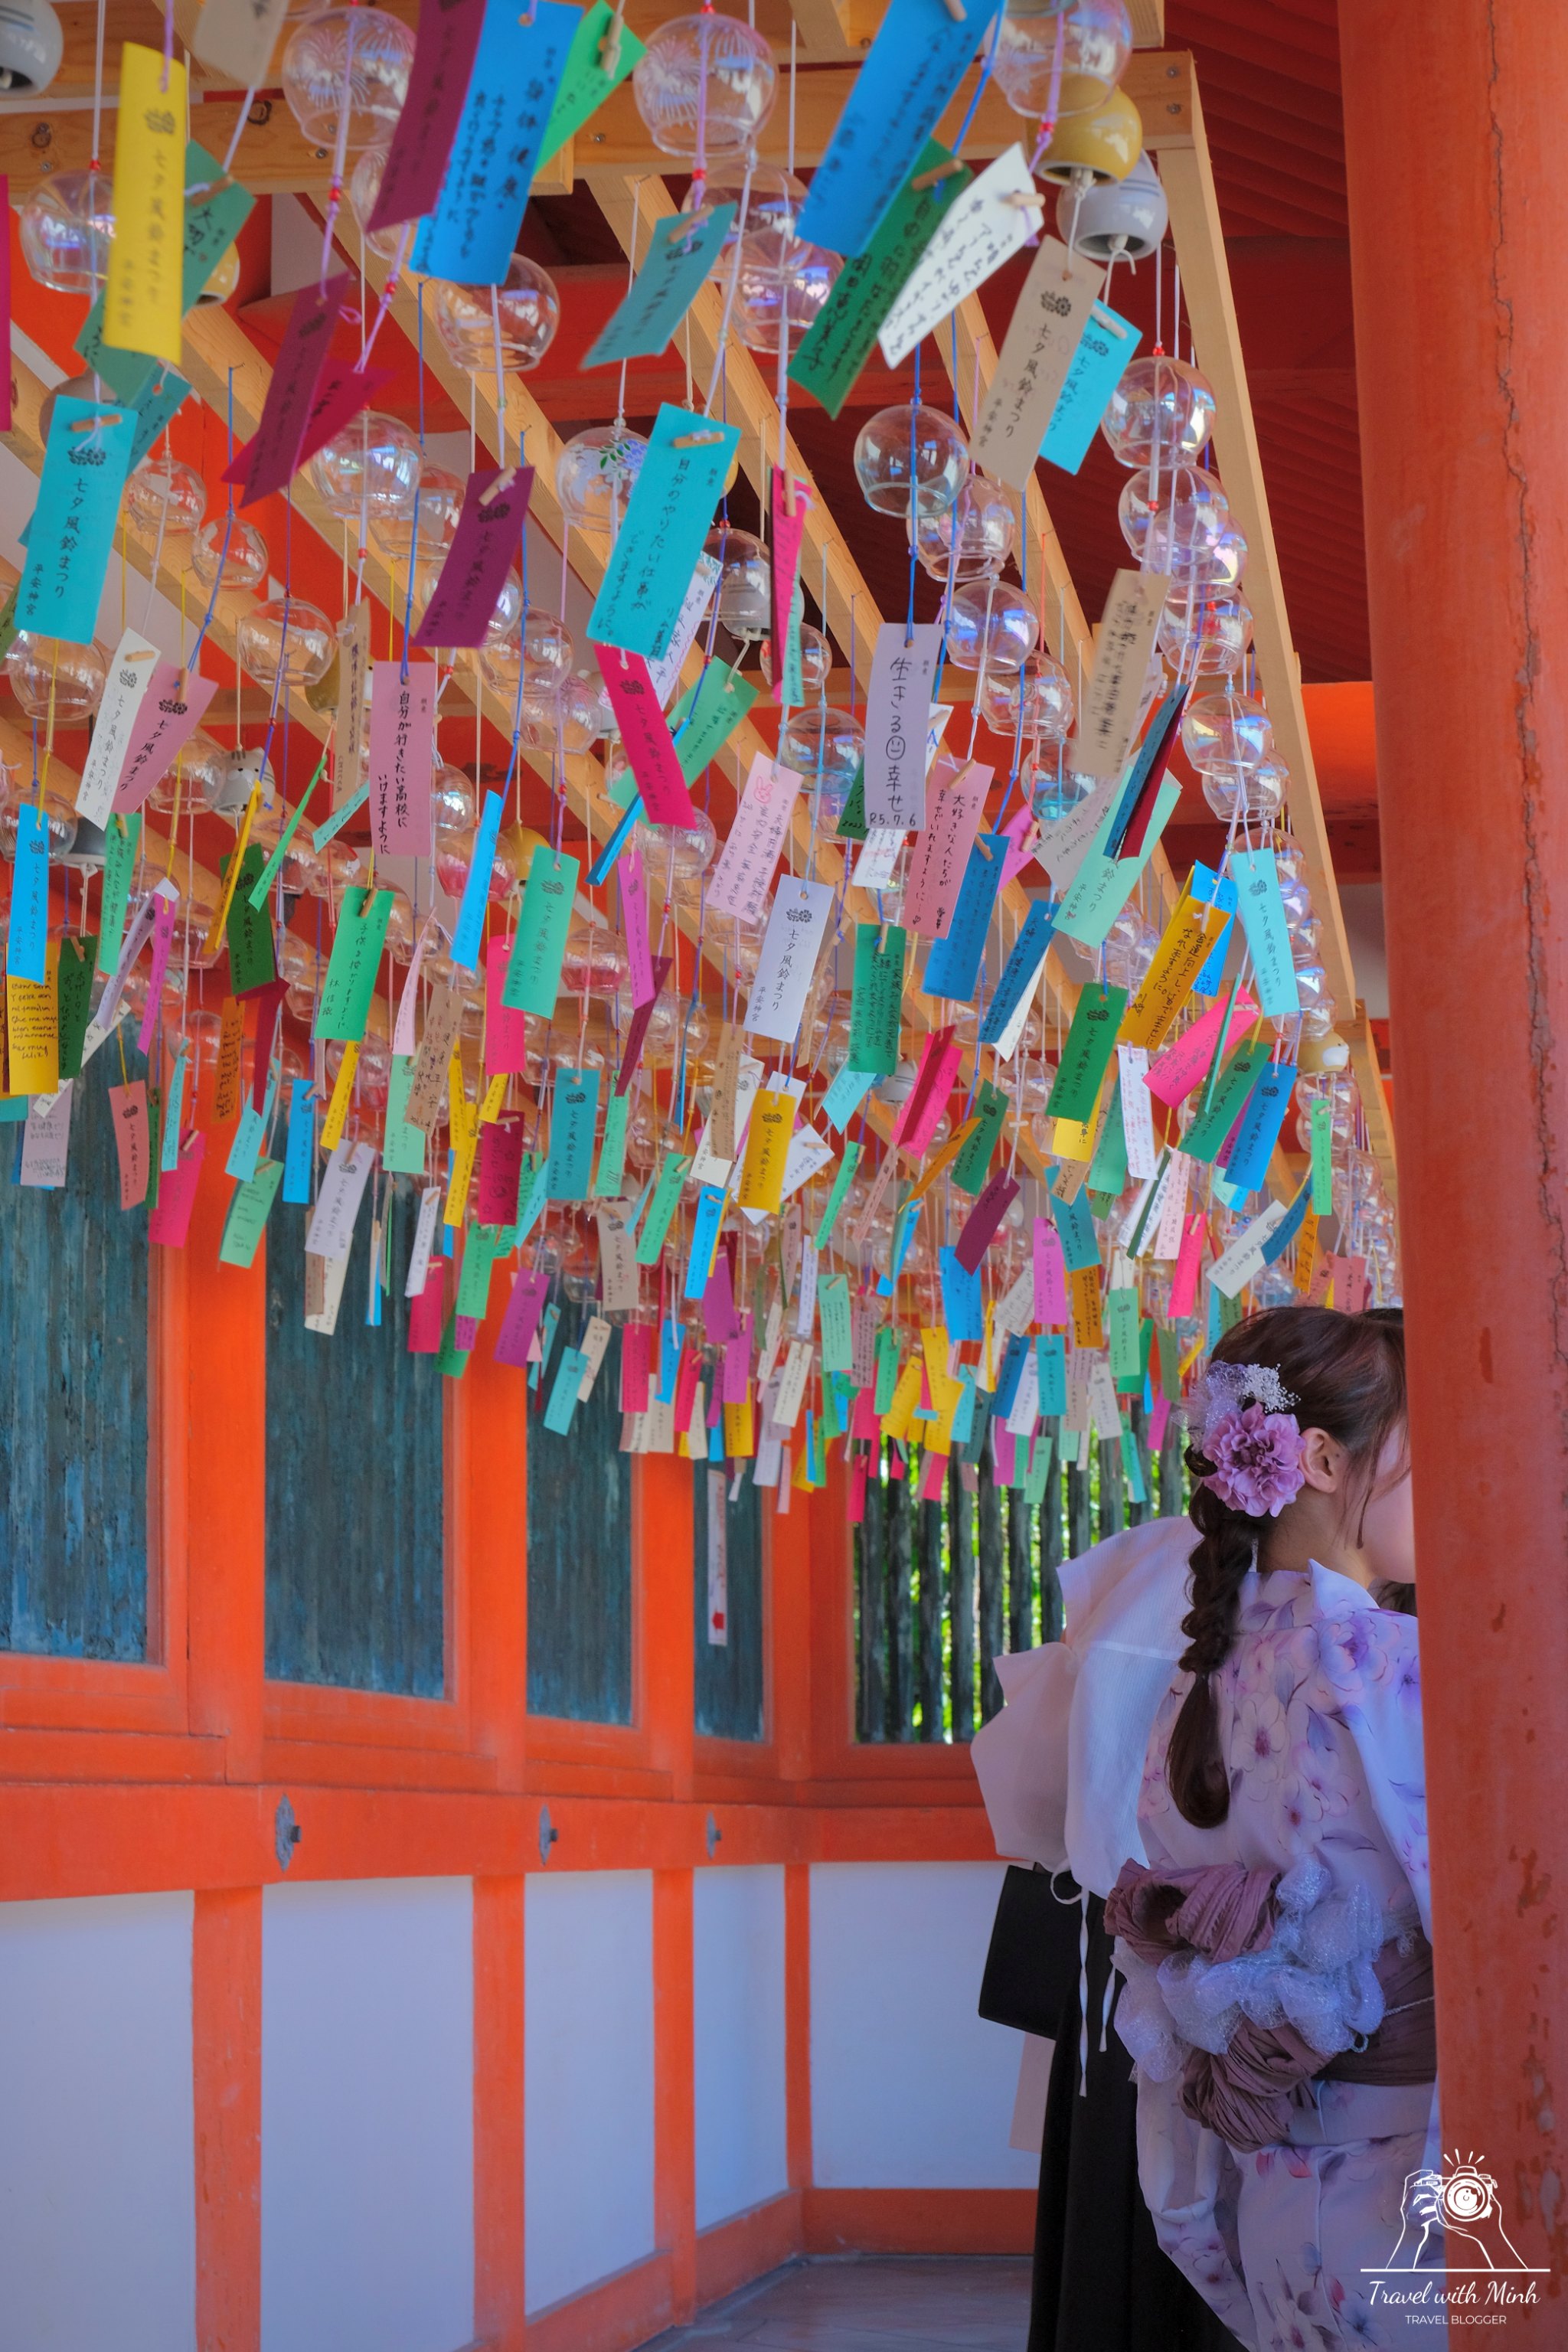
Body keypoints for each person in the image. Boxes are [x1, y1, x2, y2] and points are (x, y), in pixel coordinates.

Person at [1105, 1306, 1439, 2350]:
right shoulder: (1389, 1667)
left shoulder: (1197, 1680)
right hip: (1413, 2189)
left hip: (1275, 2192)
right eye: (1426, 1455)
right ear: (1328, 1461)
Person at [972, 1516, 1242, 2350]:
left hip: (1128, 1931)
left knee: (1122, 2220)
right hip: (1208, 1940)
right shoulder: (1319, 1585)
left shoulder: (1146, 1563)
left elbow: (1043, 1792)